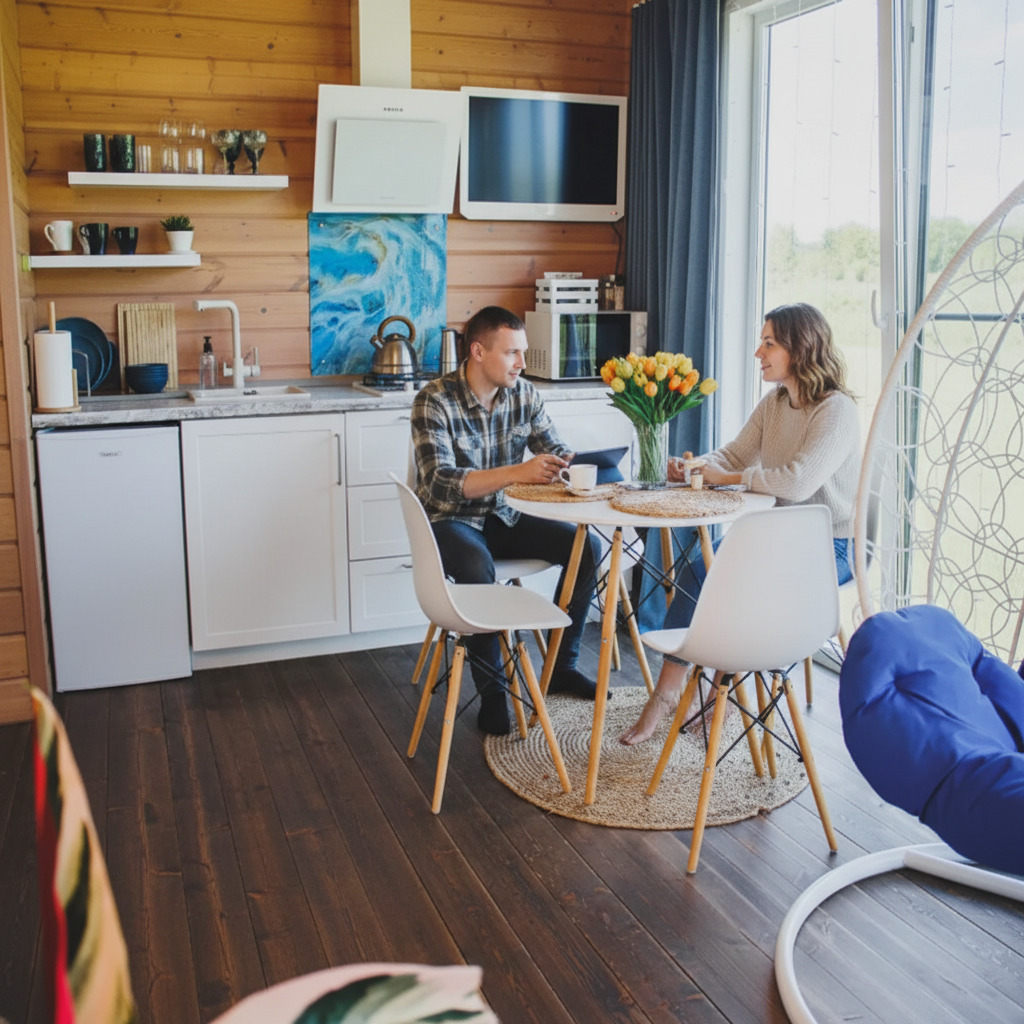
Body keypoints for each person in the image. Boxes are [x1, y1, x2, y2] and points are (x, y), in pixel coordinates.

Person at [619, 302, 859, 746]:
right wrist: (694, 467)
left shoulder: (836, 410)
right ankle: (668, 693)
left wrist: (726, 478)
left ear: (800, 348)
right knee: (698, 570)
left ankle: (721, 692)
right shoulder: (776, 402)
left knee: (736, 584)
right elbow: (733, 455)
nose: (758, 353)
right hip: (772, 540)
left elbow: (797, 482)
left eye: (769, 343)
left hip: (829, 548)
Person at [411, 305, 602, 736]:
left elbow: (552, 445)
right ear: (478, 351)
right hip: (451, 520)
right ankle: (493, 691)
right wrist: (518, 472)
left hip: (504, 515)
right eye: (512, 352)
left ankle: (561, 668)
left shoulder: (524, 394)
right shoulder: (434, 400)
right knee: (476, 565)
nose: (522, 362)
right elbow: (439, 483)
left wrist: (567, 463)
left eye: (523, 352)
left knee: (586, 547)